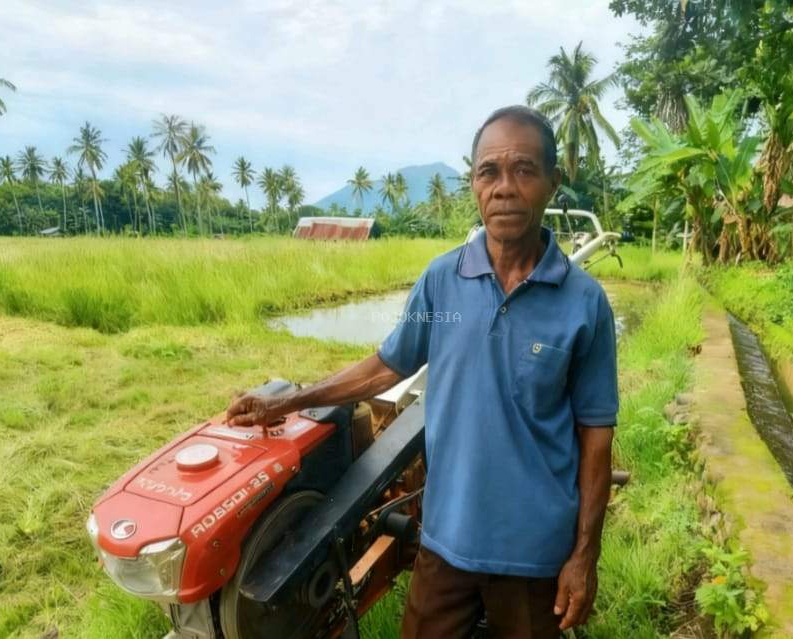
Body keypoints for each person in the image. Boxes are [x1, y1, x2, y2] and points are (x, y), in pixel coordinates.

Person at [226, 105, 618, 638]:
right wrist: (286, 402)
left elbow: (596, 437)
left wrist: (583, 556)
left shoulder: (584, 303)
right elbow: (386, 367)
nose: (504, 187)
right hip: (446, 541)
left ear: (553, 181)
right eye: (489, 172)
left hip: (535, 552)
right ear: (474, 185)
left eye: (524, 169)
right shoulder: (442, 281)